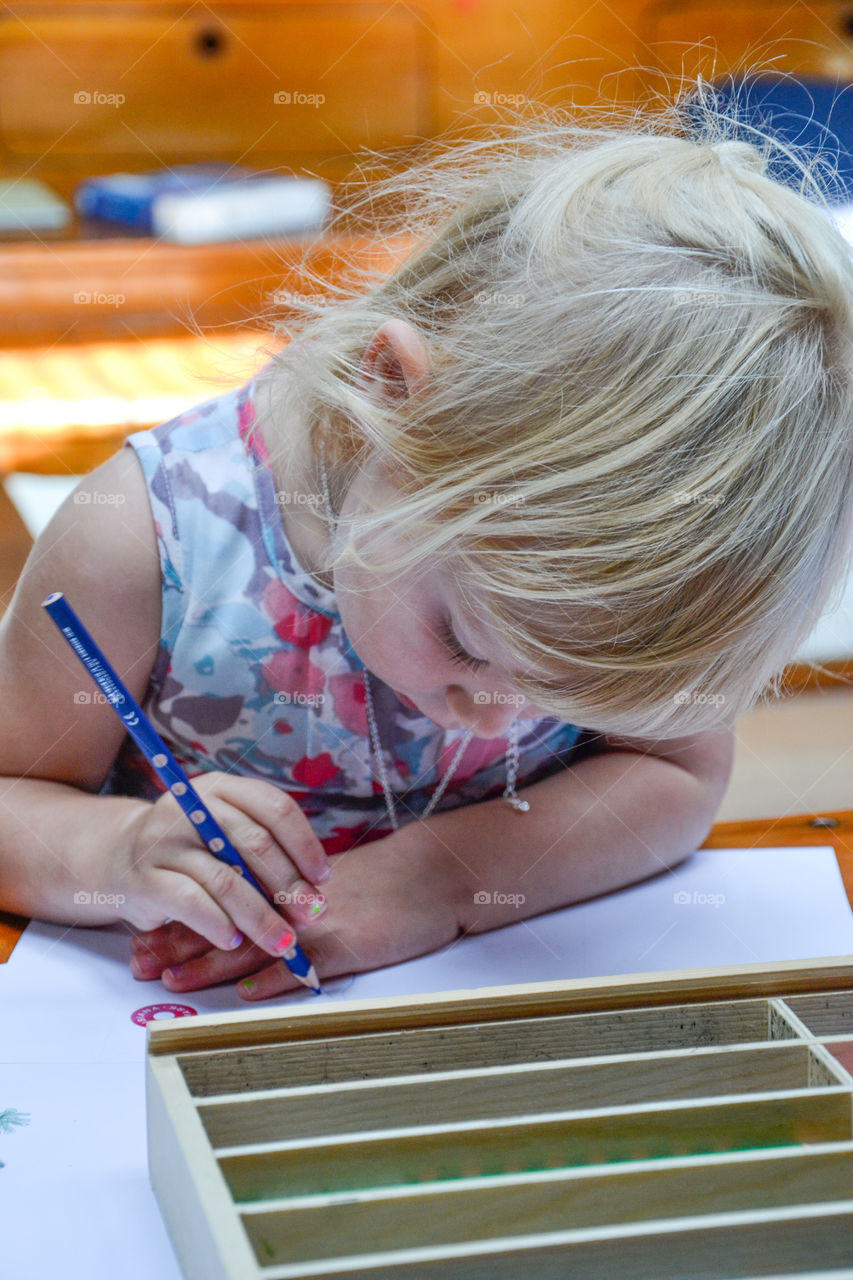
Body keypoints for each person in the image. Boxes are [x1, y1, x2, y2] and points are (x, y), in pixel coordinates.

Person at [1, 87, 852, 1000]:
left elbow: (673, 772)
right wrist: (118, 851)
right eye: (467, 645)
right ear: (393, 399)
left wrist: (443, 879)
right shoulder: (140, 541)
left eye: (557, 691)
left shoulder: (646, 570)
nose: (496, 717)